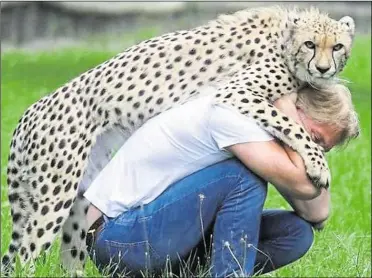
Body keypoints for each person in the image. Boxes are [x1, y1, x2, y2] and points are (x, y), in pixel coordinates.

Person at [79, 83, 359, 277]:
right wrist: (287, 115)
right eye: (313, 138)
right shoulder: (234, 111)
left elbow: (317, 212)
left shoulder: (272, 133)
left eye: (320, 150)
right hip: (115, 236)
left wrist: (299, 139)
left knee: (296, 233)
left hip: (162, 236)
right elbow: (302, 185)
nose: (311, 153)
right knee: (243, 178)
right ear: (293, 107)